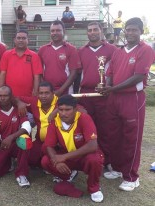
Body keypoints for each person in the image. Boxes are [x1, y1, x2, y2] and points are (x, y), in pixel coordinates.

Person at [100, 17, 154, 191]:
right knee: (114, 135)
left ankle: (131, 176)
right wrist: (107, 85)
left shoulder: (145, 50)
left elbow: (138, 77)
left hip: (132, 98)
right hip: (114, 98)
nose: (130, 33)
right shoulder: (119, 51)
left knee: (132, 138)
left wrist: (112, 88)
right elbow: (110, 72)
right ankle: (116, 168)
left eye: (134, 30)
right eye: (128, 29)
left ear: (141, 31)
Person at [41, 95, 104, 203]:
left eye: (68, 110)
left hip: (84, 156)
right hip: (69, 158)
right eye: (60, 110)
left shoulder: (84, 118)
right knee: (46, 161)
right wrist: (56, 162)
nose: (63, 113)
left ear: (75, 109)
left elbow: (93, 145)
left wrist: (63, 157)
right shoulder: (55, 122)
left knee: (95, 159)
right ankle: (67, 175)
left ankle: (94, 188)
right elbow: (49, 146)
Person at [78, 22, 117, 170]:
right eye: (89, 30)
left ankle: (107, 161)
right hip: (86, 95)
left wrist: (110, 87)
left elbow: (114, 71)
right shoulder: (81, 51)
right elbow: (77, 75)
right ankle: (88, 158)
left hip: (104, 95)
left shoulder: (112, 50)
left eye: (95, 29)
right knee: (87, 128)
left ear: (101, 31)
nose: (92, 32)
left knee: (105, 129)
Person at [0, 86, 32, 187]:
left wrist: (11, 137)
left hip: (16, 144)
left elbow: (27, 127)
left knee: (26, 140)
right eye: (0, 96)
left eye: (5, 95)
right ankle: (8, 164)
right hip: (2, 146)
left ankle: (21, 174)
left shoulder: (18, 109)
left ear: (11, 96)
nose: (2, 98)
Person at [38, 20, 81, 97]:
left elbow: (74, 73)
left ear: (63, 31)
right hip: (47, 92)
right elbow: (39, 73)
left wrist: (60, 90)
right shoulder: (42, 49)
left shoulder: (71, 49)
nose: (55, 33)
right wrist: (45, 89)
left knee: (65, 109)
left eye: (58, 30)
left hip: (66, 91)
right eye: (52, 31)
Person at [0, 30, 43, 97]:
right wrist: (0, 91)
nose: (21, 40)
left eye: (23, 38)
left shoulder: (34, 56)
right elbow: (3, 73)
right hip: (9, 96)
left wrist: (35, 91)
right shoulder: (6, 54)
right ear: (14, 40)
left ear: (28, 40)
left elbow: (36, 76)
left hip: (28, 95)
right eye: (18, 38)